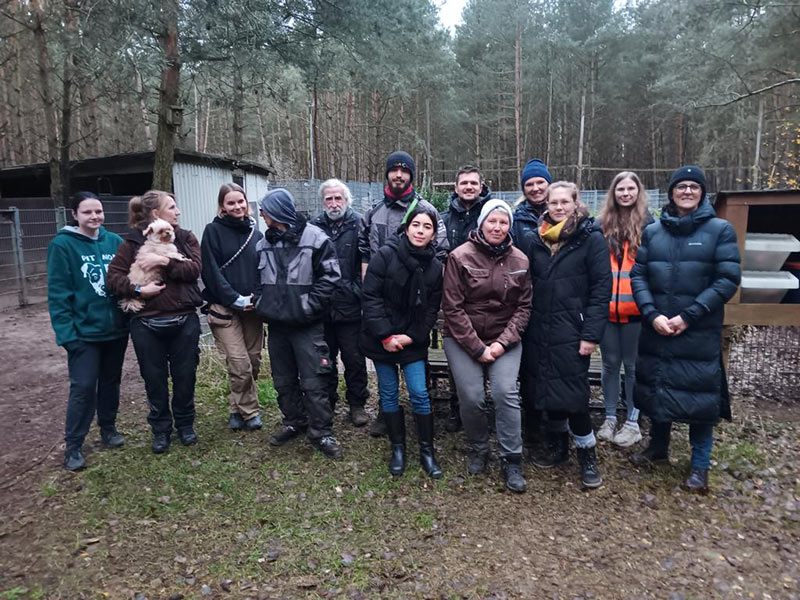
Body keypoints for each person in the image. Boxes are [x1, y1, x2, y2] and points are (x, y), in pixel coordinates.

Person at [630, 166, 741, 494]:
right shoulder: (653, 232)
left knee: (700, 397)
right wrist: (651, 314)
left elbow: (727, 279)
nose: (687, 191)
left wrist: (689, 316)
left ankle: (699, 465)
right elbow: (638, 275)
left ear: (702, 192)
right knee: (659, 385)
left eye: (694, 186)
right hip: (658, 326)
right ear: (672, 192)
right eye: (681, 186)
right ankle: (658, 448)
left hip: (697, 330)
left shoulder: (719, 230)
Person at [523, 181, 611, 489]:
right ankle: (558, 446)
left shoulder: (591, 238)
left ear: (575, 203)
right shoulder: (536, 239)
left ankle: (587, 455)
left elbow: (601, 289)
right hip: (539, 329)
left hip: (573, 330)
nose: (559, 207)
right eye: (553, 202)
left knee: (574, 396)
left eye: (564, 202)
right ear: (545, 205)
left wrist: (591, 334)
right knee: (547, 390)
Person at [442, 199, 532, 492]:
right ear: (481, 223)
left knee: (506, 392)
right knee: (471, 395)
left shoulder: (520, 260)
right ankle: (479, 447)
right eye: (492, 221)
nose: (497, 227)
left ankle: (511, 457)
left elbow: (524, 308)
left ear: (509, 227)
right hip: (463, 338)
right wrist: (478, 348)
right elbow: (452, 308)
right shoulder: (459, 257)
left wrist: (502, 343)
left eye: (503, 222)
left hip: (504, 339)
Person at [358, 150, 448, 436]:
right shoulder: (373, 212)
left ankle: (420, 419)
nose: (399, 175)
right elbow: (364, 253)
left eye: (404, 170)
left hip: (414, 305)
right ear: (387, 174)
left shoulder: (426, 210)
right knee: (386, 379)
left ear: (411, 175)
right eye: (394, 170)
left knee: (416, 377)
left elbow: (441, 253)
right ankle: (386, 415)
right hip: (382, 300)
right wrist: (371, 299)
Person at [107, 190, 203, 454]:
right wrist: (139, 291)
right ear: (155, 214)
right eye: (172, 207)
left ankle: (185, 424)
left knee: (185, 376)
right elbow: (113, 278)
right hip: (147, 323)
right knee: (154, 379)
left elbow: (194, 269)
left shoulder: (185, 238)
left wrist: (162, 260)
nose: (178, 211)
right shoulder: (130, 244)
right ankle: (161, 429)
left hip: (184, 319)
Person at [254, 188, 343, 459]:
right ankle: (294, 421)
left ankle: (322, 432)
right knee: (283, 380)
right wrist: (261, 303)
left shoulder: (317, 239)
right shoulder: (263, 244)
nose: (261, 215)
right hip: (277, 327)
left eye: (265, 210)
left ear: (278, 211)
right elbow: (256, 282)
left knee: (315, 381)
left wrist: (308, 306)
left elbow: (331, 278)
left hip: (307, 326)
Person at [360, 205, 444, 479]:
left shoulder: (435, 268)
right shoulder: (385, 256)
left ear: (434, 234)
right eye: (416, 225)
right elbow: (371, 298)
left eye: (427, 227)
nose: (420, 231)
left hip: (412, 341)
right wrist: (385, 335)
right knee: (388, 393)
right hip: (381, 339)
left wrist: (411, 337)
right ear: (406, 228)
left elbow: (430, 310)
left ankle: (427, 451)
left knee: (419, 393)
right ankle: (398, 448)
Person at [47, 192, 129, 471]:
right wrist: (67, 335)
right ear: (75, 215)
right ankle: (74, 445)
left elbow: (127, 279)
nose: (94, 216)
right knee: (83, 387)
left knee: (110, 383)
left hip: (115, 330)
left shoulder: (114, 241)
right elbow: (58, 294)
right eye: (87, 212)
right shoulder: (63, 245)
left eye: (98, 211)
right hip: (83, 335)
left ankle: (108, 429)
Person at [595, 172, 654, 447]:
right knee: (609, 365)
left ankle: (632, 421)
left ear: (638, 192)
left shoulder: (649, 226)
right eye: (621, 189)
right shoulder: (601, 226)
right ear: (614, 193)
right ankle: (609, 417)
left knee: (632, 366)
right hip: (607, 310)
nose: (626, 193)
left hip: (636, 310)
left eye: (631, 188)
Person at [201, 183, 265, 432]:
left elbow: (262, 269)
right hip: (225, 309)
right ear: (222, 206)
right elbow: (211, 271)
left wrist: (256, 296)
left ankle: (235, 408)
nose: (237, 206)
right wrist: (234, 298)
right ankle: (250, 412)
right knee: (239, 363)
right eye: (231, 203)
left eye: (240, 201)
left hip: (253, 309)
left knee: (253, 361)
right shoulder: (213, 231)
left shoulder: (255, 234)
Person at [439, 165, 493, 433]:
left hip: (486, 298)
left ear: (481, 186)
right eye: (464, 183)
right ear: (456, 187)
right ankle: (457, 405)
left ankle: (481, 405)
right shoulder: (444, 220)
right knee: (459, 357)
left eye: (474, 183)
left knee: (486, 351)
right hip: (454, 300)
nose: (469, 187)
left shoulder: (491, 216)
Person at [311, 179, 370, 427]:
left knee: (354, 359)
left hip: (350, 307)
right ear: (323, 202)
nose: (334, 204)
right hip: (323, 307)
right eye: (329, 199)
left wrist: (355, 291)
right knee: (325, 359)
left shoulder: (359, 224)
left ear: (347, 200)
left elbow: (365, 261)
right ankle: (329, 402)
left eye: (338, 198)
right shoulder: (314, 226)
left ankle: (357, 404)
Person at [511, 158, 551, 255]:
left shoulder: (563, 214)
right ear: (524, 190)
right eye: (529, 184)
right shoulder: (515, 220)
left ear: (549, 185)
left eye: (540, 182)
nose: (535, 188)